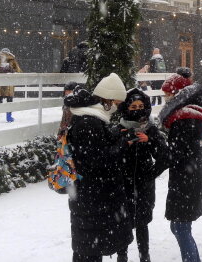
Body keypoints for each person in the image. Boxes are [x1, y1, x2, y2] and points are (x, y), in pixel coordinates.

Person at [65, 73, 133, 262]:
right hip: (91, 201)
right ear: (107, 99)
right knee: (88, 253)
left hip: (91, 200)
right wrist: (123, 145)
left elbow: (95, 150)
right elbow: (97, 162)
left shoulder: (91, 118)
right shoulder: (89, 122)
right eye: (117, 103)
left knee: (89, 250)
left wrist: (116, 134)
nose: (117, 107)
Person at [158, 68, 202, 262]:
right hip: (188, 177)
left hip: (186, 180)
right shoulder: (186, 117)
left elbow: (176, 154)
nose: (166, 98)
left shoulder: (183, 120)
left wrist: (155, 146)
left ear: (177, 94)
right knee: (179, 226)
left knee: (180, 227)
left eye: (168, 94)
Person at [119, 88, 169, 262]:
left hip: (143, 187)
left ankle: (144, 256)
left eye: (140, 105)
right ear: (126, 108)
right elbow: (110, 158)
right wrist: (123, 144)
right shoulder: (119, 129)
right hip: (123, 187)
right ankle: (122, 256)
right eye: (133, 106)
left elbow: (164, 157)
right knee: (123, 224)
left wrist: (150, 142)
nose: (137, 109)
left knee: (141, 224)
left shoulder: (151, 129)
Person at [0, 48, 22, 123]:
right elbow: (18, 71)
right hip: (9, 85)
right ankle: (8, 117)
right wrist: (11, 70)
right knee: (9, 101)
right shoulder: (13, 61)